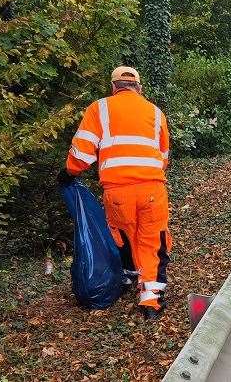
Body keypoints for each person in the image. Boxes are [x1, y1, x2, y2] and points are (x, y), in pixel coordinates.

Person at [58, 66, 171, 320]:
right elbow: (163, 156)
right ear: (139, 88)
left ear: (113, 87)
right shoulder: (155, 112)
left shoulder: (100, 109)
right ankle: (150, 300)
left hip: (117, 192)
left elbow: (82, 152)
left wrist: (68, 173)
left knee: (123, 237)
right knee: (152, 239)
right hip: (152, 188)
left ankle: (127, 278)